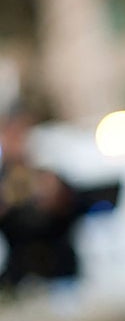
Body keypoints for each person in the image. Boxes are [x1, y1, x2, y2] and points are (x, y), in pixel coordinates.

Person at [0, 108, 82, 292]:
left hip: (60, 271)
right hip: (20, 273)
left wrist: (57, 197)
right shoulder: (4, 179)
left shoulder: (47, 172)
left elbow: (74, 210)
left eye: (19, 135)